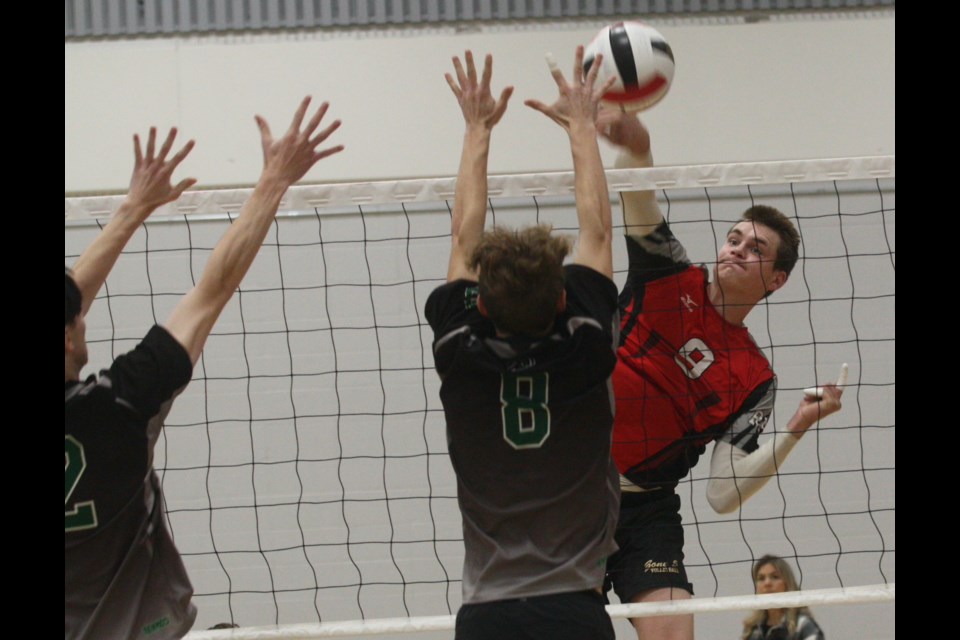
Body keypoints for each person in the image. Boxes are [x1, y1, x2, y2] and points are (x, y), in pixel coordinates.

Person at [65, 97, 343, 640]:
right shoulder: (122, 402)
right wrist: (273, 182)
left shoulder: (115, 394)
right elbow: (211, 291)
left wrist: (133, 209)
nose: (84, 320)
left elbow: (72, 298)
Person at [598, 111, 845, 640]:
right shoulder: (666, 272)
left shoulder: (755, 378)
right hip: (573, 489)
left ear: (775, 280)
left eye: (756, 248)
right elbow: (638, 199)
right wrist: (637, 149)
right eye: (734, 238)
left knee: (673, 631)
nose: (737, 248)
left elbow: (722, 495)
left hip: (645, 508)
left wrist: (797, 426)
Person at [424, 48, 620, 640]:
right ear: (562, 298)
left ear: (481, 305)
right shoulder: (587, 341)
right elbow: (598, 230)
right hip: (574, 609)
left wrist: (477, 128)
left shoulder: (458, 347)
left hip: (488, 614)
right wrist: (582, 127)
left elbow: (464, 237)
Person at [741, 555, 825, 640]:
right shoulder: (753, 628)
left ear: (787, 583)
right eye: (761, 578)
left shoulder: (802, 624)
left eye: (775, 577)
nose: (767, 583)